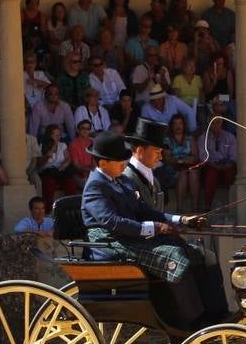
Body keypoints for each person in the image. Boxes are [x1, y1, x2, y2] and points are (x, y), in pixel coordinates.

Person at [81, 130, 227, 330]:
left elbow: (144, 211)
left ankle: (216, 311)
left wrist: (182, 220)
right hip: (110, 242)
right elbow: (112, 222)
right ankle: (193, 322)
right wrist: (154, 228)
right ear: (103, 163)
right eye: (119, 160)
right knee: (175, 256)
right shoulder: (95, 186)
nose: (124, 164)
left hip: (130, 237)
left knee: (194, 252)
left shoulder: (121, 181)